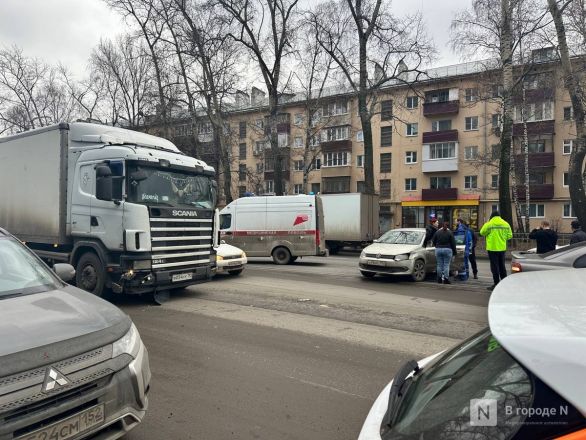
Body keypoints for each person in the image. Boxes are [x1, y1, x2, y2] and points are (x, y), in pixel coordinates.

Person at [480, 211, 513, 291]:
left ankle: (496, 284)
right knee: (502, 265)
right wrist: (502, 238)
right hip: (502, 248)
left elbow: (482, 232)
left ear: (491, 216)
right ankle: (504, 283)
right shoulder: (505, 223)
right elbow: (510, 236)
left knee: (494, 267)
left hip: (492, 248)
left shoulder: (489, 223)